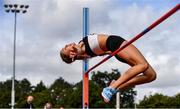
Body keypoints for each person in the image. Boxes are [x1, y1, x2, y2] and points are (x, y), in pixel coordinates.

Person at [60, 33, 156, 103]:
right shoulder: (81, 48)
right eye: (65, 48)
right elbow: (80, 50)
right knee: (142, 65)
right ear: (72, 54)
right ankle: (112, 87)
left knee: (151, 76)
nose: (66, 45)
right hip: (116, 44)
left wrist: (108, 52)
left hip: (115, 50)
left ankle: (117, 86)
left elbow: (96, 50)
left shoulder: (85, 52)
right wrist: (76, 51)